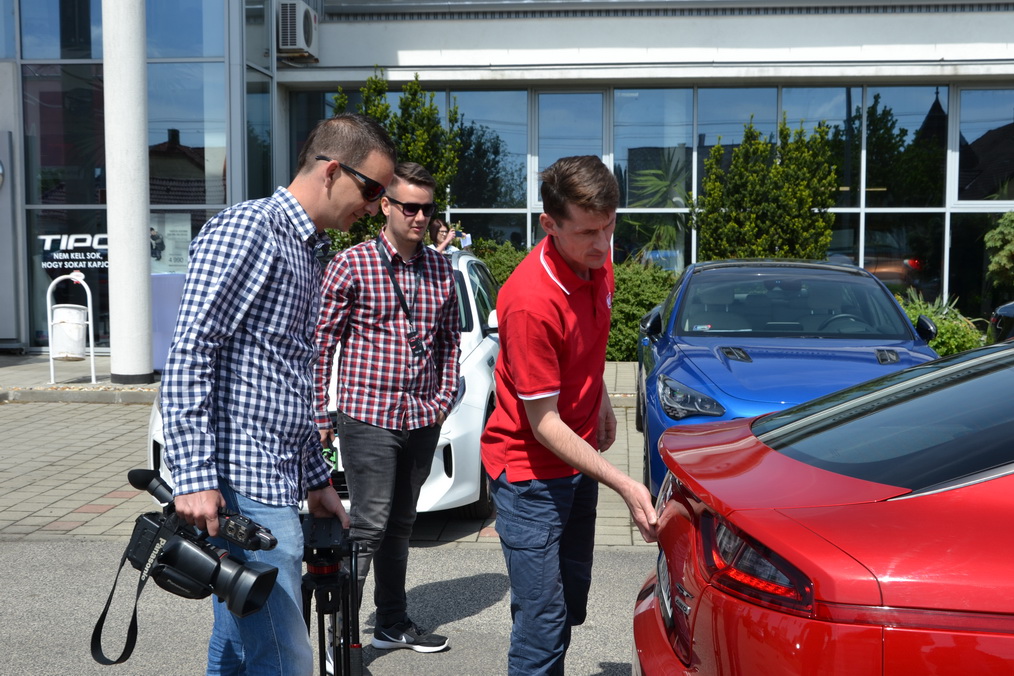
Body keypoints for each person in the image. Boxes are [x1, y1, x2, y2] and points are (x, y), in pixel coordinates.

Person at [161, 112, 397, 676]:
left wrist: (316, 479)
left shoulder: (309, 249)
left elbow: (286, 379)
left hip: (273, 478)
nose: (375, 208)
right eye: (372, 190)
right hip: (243, 484)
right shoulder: (251, 229)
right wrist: (193, 477)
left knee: (239, 646)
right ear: (332, 170)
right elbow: (191, 350)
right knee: (286, 656)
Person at [481, 155, 658, 676]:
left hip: (576, 467)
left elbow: (588, 343)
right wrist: (625, 484)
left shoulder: (597, 264)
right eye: (586, 232)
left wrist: (599, 396)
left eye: (609, 226)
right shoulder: (530, 302)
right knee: (542, 627)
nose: (603, 245)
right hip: (530, 476)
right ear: (549, 224)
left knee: (571, 603)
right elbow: (543, 423)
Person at [313, 161, 461, 654]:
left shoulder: (441, 268)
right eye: (410, 207)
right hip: (368, 417)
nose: (420, 218)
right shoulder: (351, 264)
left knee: (401, 525)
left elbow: (449, 343)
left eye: (427, 209)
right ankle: (339, 640)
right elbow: (321, 346)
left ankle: (391, 623)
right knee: (368, 526)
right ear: (386, 207)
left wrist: (442, 402)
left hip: (421, 417)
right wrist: (319, 414)